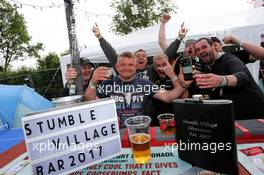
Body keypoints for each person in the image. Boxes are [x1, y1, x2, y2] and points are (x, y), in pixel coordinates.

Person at [85, 51, 186, 128]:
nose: (127, 68)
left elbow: (168, 97)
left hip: (140, 131)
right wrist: (93, 82)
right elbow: (91, 101)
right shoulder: (107, 84)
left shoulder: (145, 84)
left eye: (130, 65)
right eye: (123, 65)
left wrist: (183, 85)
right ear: (116, 66)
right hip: (116, 132)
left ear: (135, 67)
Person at [180, 37, 264, 119]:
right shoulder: (203, 66)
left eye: (204, 47)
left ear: (213, 46)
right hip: (234, 116)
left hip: (256, 116)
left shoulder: (228, 58)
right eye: (198, 50)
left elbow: (243, 77)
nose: (201, 51)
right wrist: (185, 84)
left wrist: (222, 80)